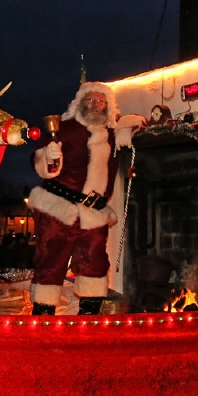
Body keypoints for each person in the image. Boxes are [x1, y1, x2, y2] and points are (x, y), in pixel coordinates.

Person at [28, 82, 144, 315]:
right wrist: (49, 157)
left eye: (100, 101)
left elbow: (141, 121)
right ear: (79, 103)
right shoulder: (65, 128)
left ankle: (89, 319)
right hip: (59, 209)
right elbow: (42, 165)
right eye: (90, 100)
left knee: (95, 263)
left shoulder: (111, 133)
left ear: (107, 106)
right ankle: (43, 319)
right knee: (51, 263)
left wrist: (124, 126)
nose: (95, 105)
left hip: (94, 213)